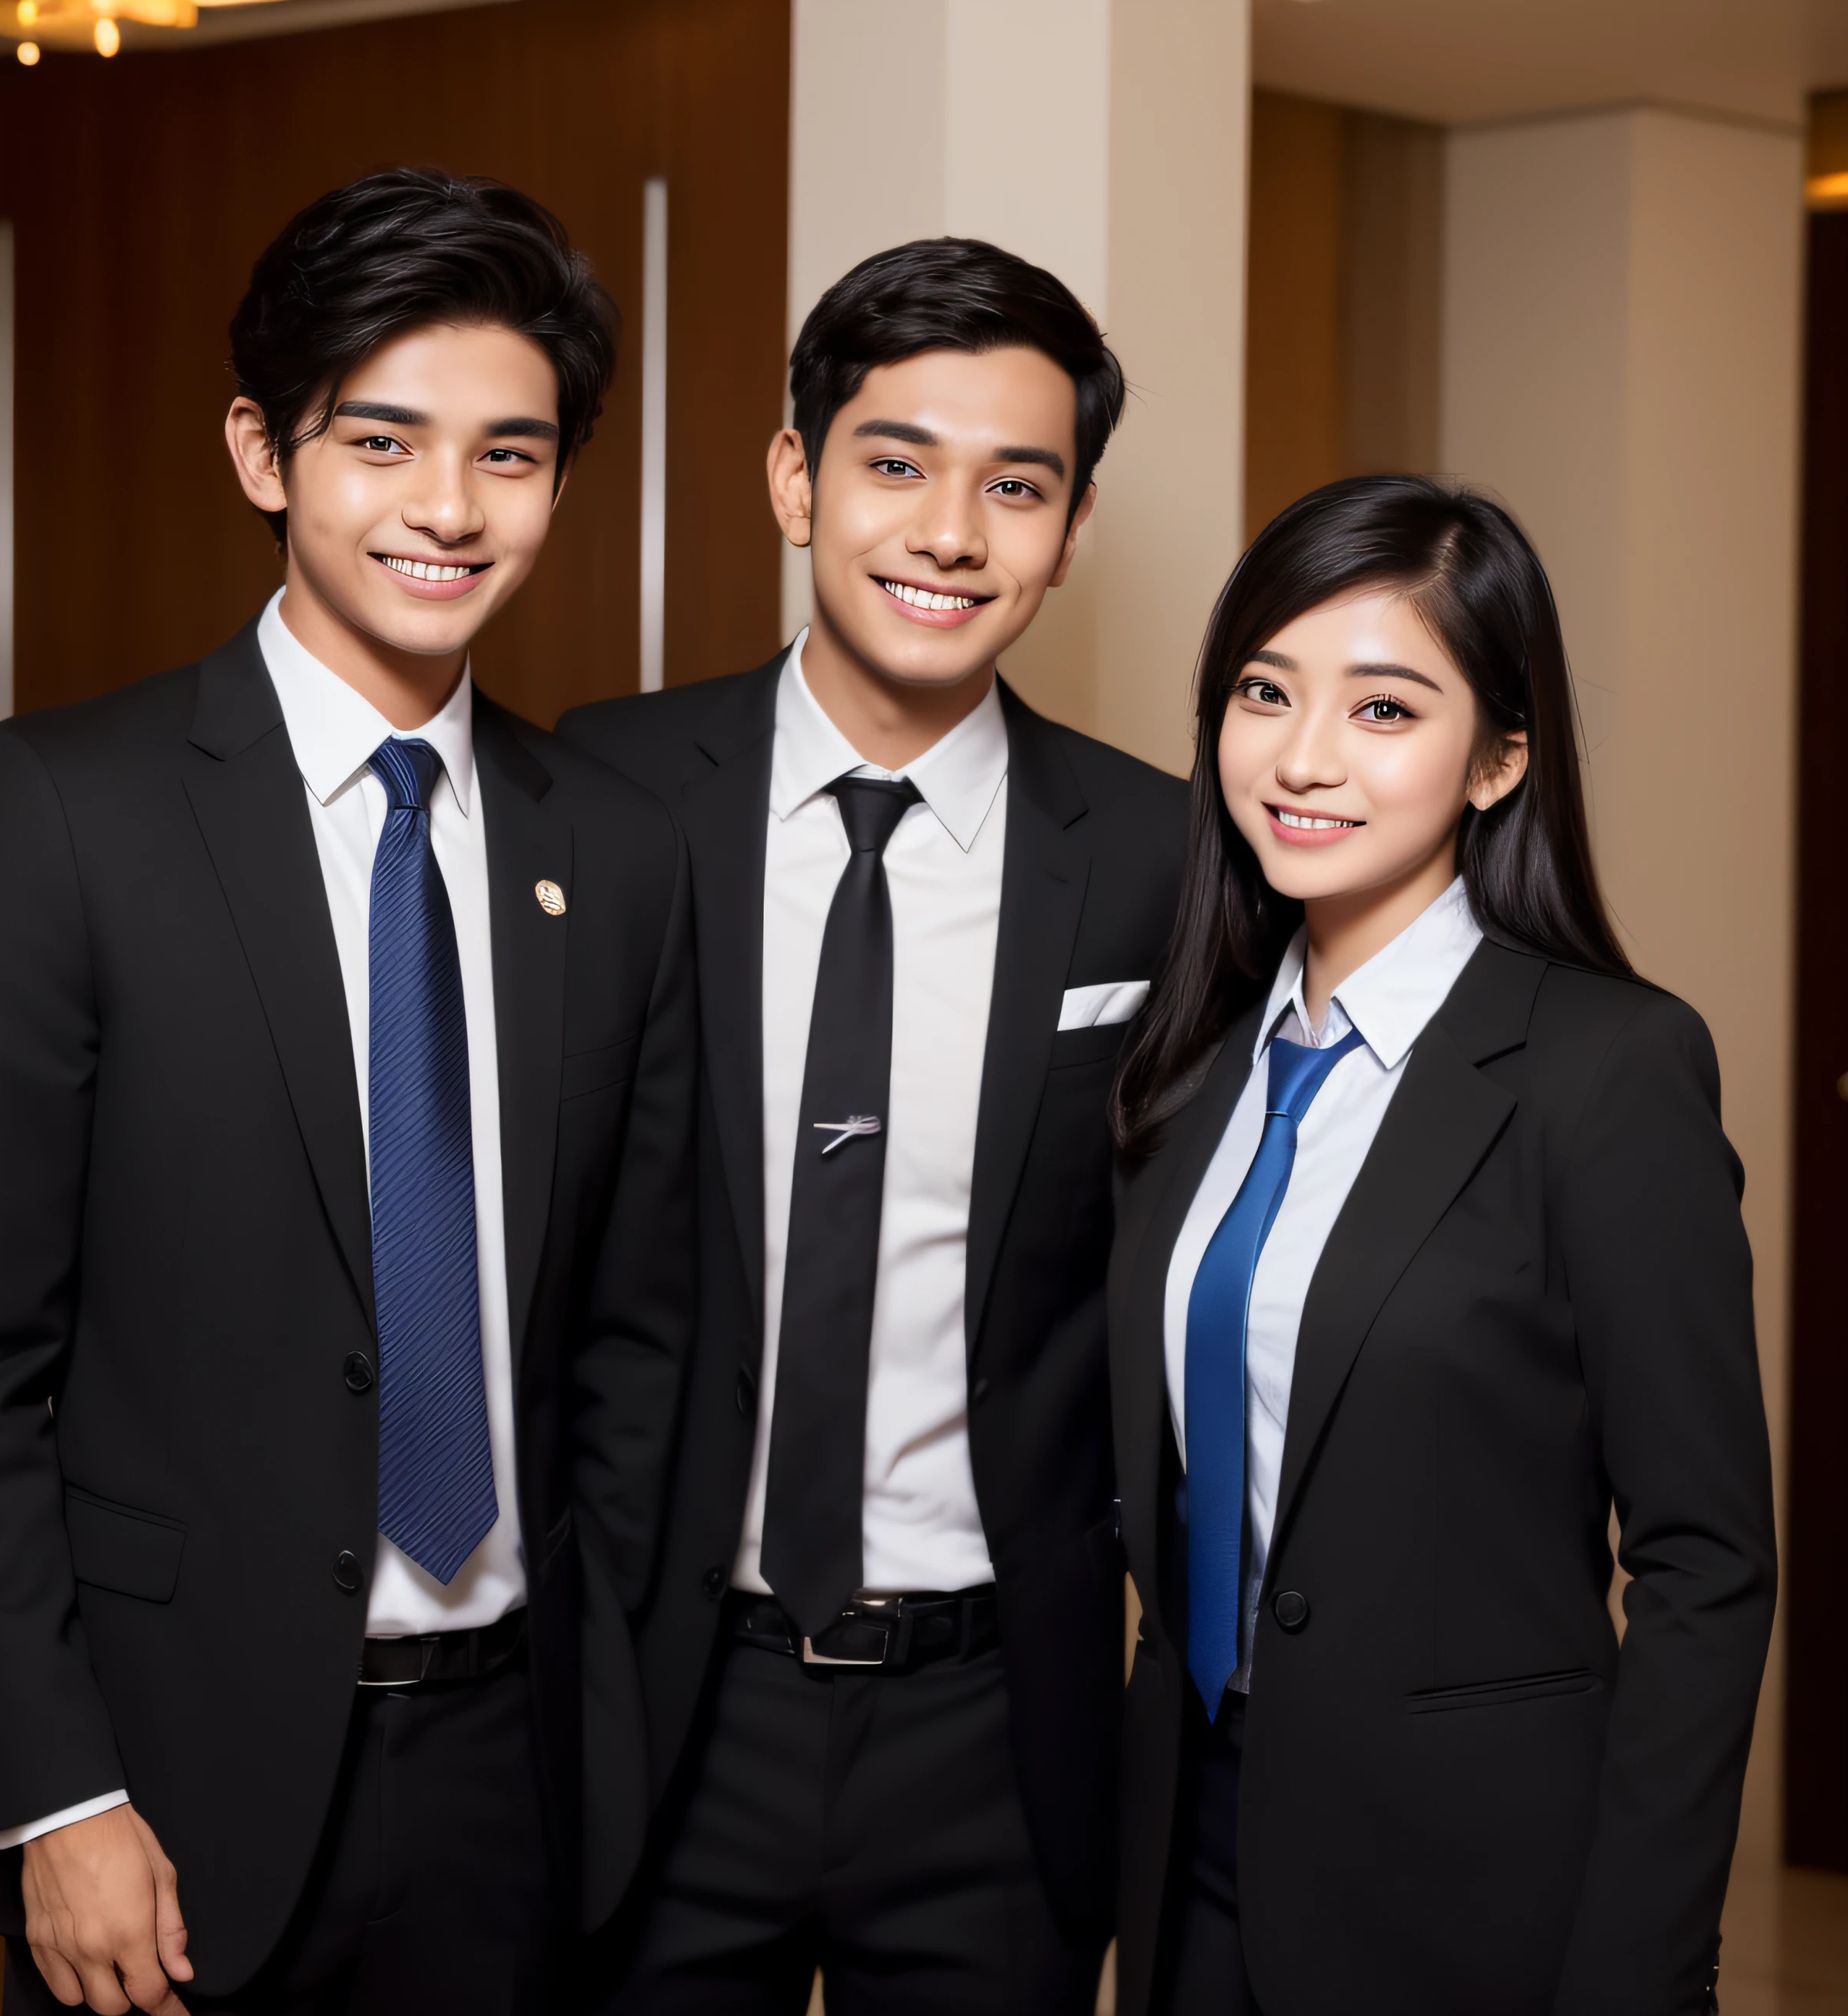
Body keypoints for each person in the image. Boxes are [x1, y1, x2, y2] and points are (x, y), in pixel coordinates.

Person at [0, 169, 695, 2015]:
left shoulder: (619, 853)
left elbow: (634, 1341)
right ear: (263, 450)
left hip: (521, 1780)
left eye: (511, 452)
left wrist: (618, 1737)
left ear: (563, 479)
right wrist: (56, 1790)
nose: (446, 507)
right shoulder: (65, 812)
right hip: (163, 1791)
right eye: (383, 440)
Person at [558, 236, 1188, 2014]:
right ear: (793, 481)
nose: (948, 532)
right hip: (669, 1702)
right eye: (894, 464)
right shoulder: (591, 804)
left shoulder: (1158, 863)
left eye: (1017, 486)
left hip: (996, 1730)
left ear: (1067, 535)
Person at [1105, 475, 1777, 2016]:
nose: (1303, 757)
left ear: (1501, 759)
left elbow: (1706, 1565)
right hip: (1193, 1847)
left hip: (1476, 1892)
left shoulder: (1606, 1071)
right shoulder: (1195, 1066)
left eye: (1385, 709)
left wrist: (1640, 1968)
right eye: (1264, 691)